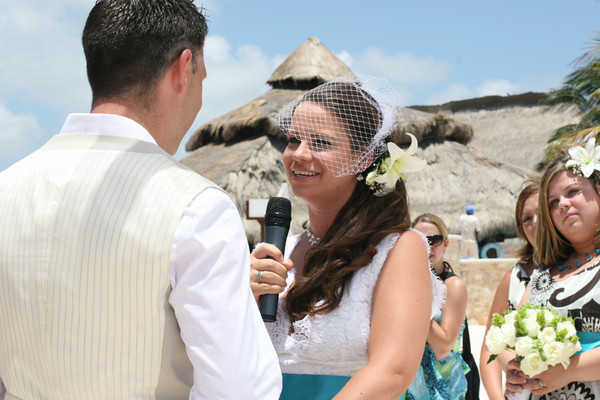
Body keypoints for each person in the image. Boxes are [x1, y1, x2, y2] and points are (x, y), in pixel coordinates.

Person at [0, 1, 281, 399]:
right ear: (184, 69)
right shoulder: (196, 205)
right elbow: (239, 389)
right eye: (203, 77)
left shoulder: (6, 189)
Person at [249, 74, 446, 399]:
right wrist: (246, 298)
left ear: (364, 157)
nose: (298, 154)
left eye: (321, 142)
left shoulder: (398, 248)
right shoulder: (283, 249)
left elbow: (392, 371)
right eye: (294, 139)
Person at [501, 142, 600, 399]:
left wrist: (570, 371)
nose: (563, 204)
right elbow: (511, 336)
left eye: (573, 192)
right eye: (554, 202)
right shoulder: (543, 274)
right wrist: (512, 364)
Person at [479, 181, 539, 400]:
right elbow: (489, 347)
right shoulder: (513, 278)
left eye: (541, 212)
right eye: (526, 218)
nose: (535, 222)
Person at [403, 213, 469, 399]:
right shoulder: (405, 283)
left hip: (443, 385)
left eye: (434, 240)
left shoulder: (453, 286)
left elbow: (443, 347)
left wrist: (417, 302)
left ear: (445, 244)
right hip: (409, 382)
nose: (427, 246)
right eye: (420, 240)